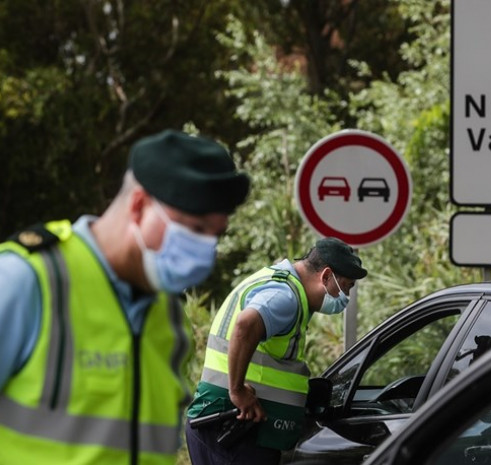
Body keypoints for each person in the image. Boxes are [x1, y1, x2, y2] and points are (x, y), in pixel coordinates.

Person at [0, 129, 250, 464]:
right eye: (195, 229)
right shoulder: (26, 280)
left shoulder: (168, 316)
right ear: (138, 205)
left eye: (216, 235)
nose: (207, 249)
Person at [185, 237, 368, 465]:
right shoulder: (285, 296)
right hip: (232, 427)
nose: (346, 298)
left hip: (229, 425)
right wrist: (237, 390)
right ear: (326, 276)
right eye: (347, 287)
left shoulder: (281, 284)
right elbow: (245, 326)